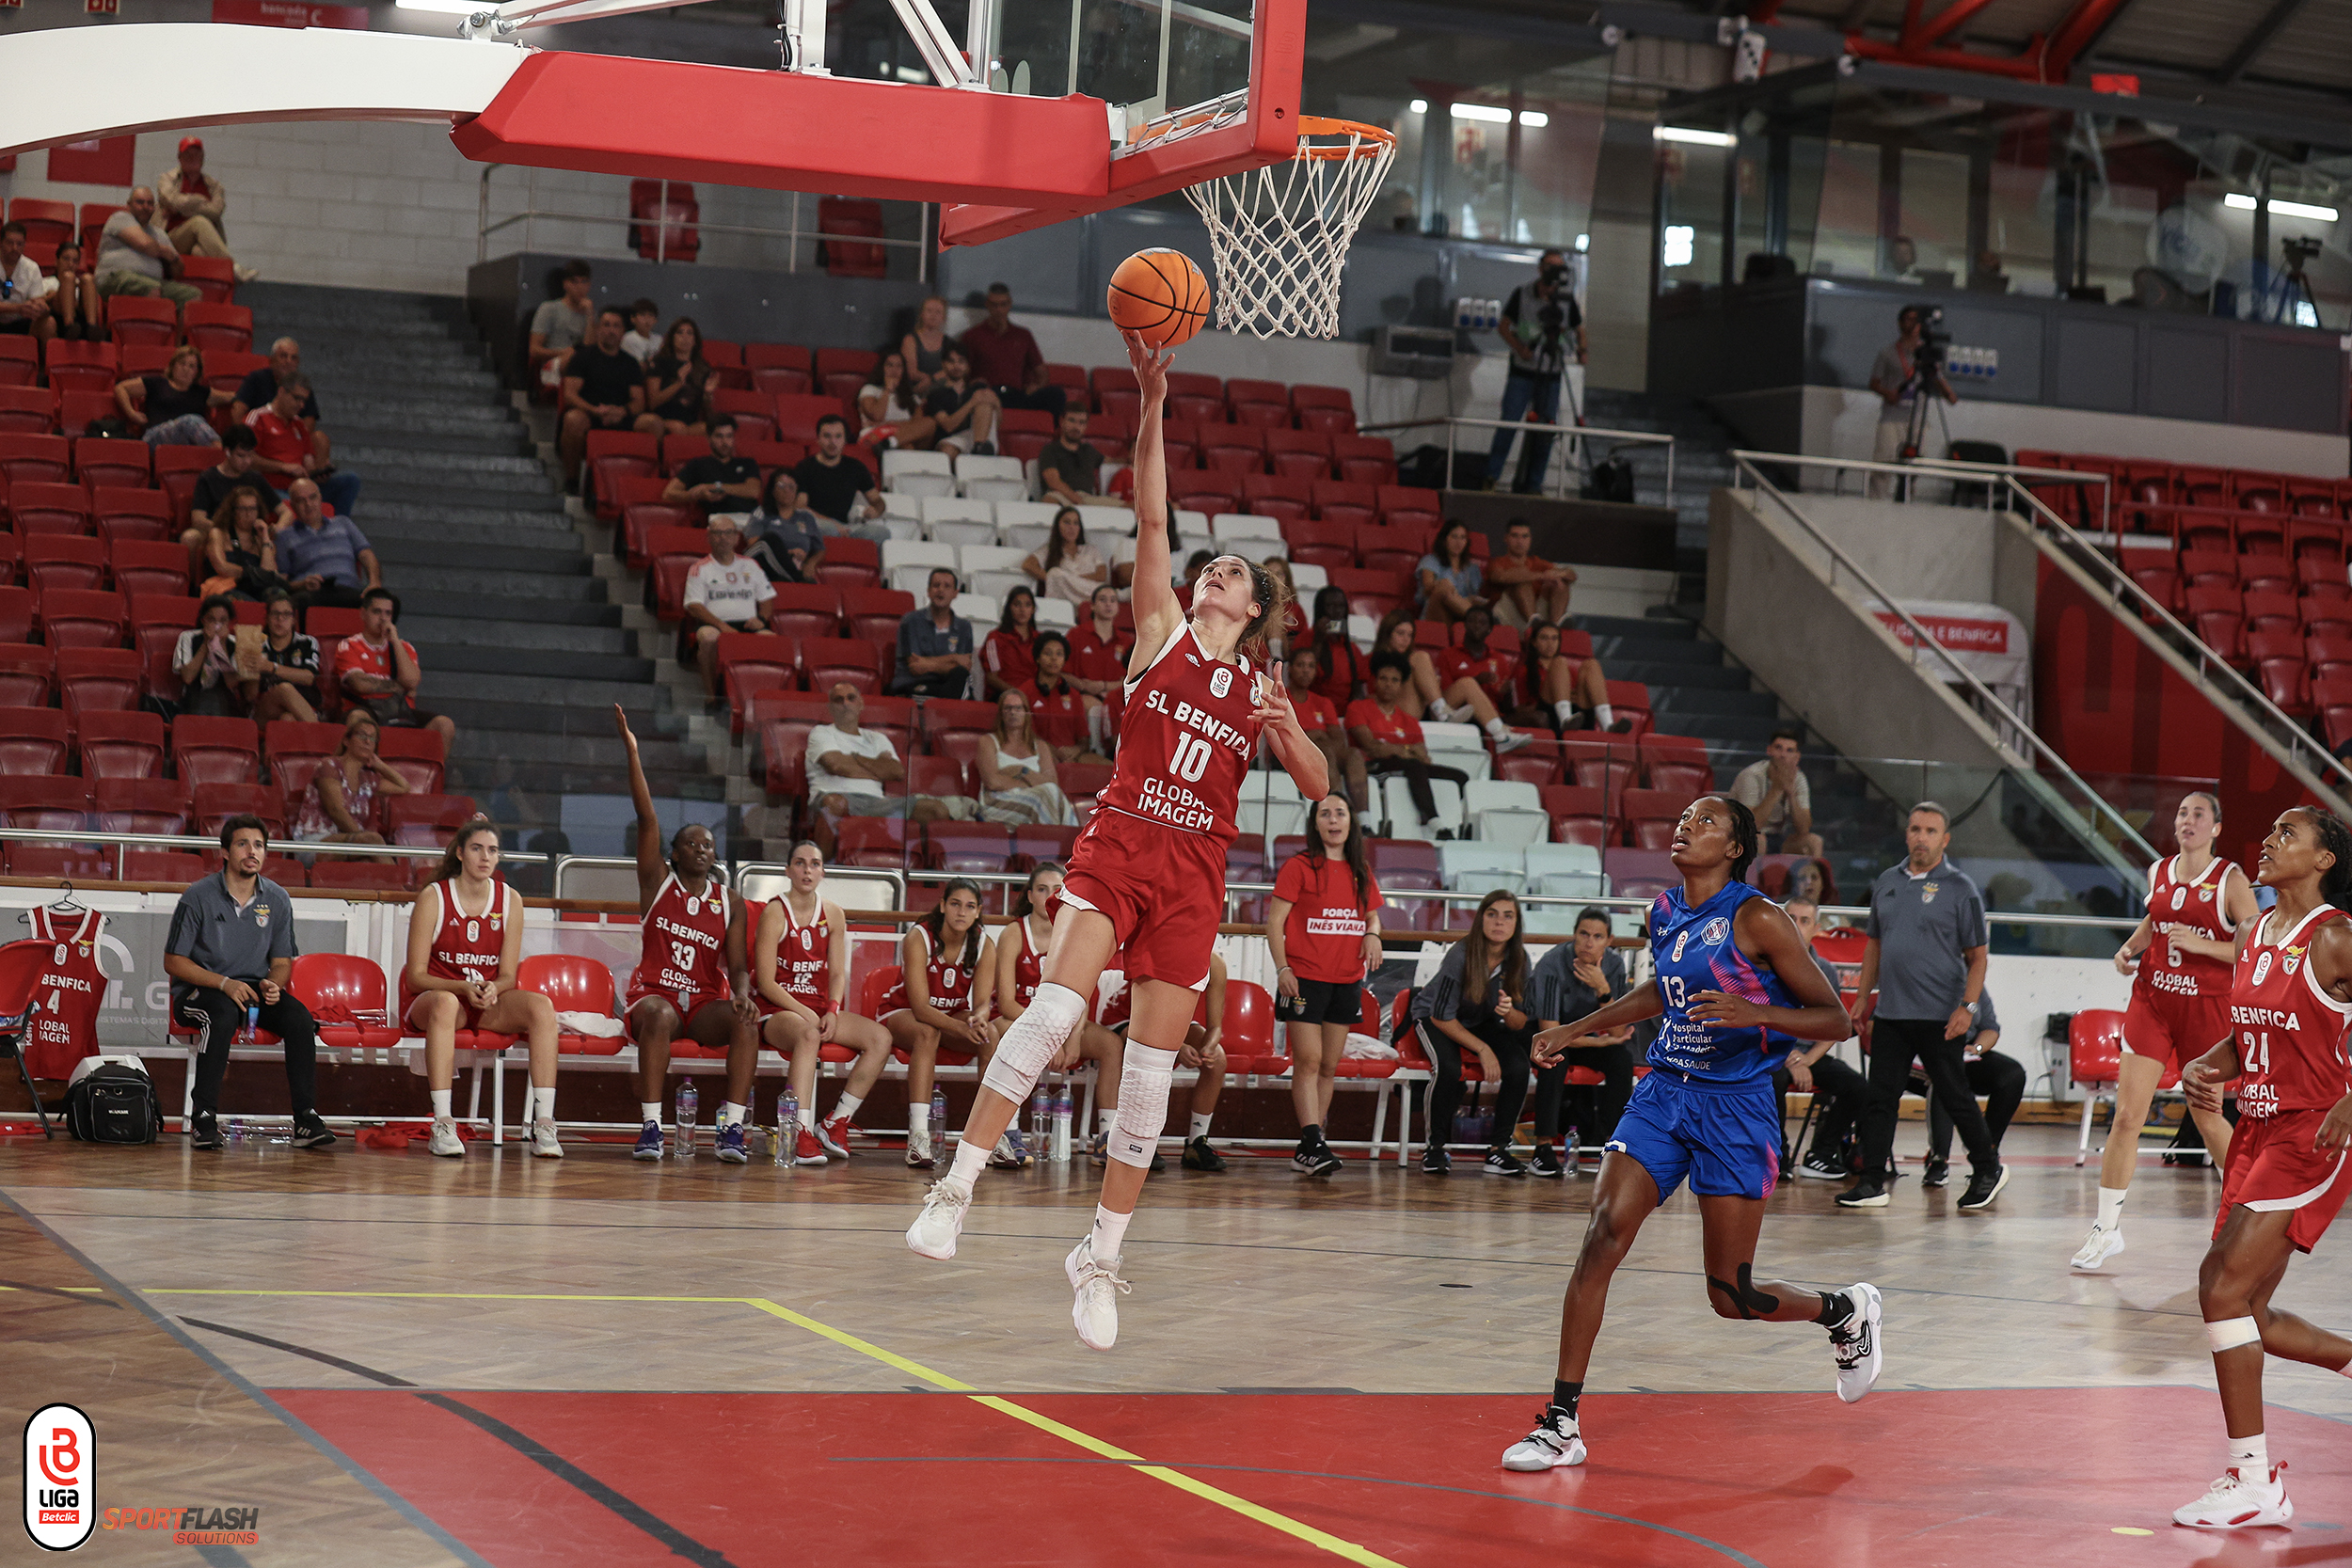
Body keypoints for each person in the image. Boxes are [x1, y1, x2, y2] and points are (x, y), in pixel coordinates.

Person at [906, 329, 1328, 1354]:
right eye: (1210, 566)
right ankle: (956, 1185)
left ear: (1257, 608)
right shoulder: (1159, 633)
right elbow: (1148, 510)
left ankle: (1098, 1253)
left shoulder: (1260, 689)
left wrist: (1285, 727)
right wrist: (1153, 395)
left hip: (1193, 878)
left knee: (1148, 1075)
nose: (1214, 572)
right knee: (1052, 1009)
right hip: (1119, 844)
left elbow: (1323, 794)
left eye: (1234, 572)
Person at [1502, 794, 1875, 1475]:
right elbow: (1661, 992)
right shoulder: (1666, 909)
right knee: (1602, 1233)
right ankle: (1561, 1422)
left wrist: (1752, 1010)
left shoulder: (1756, 916)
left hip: (1736, 1107)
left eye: (1705, 822)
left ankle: (1842, 1310)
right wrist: (1575, 1027)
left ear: (1735, 847)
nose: (1686, 826)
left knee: (1732, 1296)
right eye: (1683, 818)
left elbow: (1834, 1020)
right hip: (1666, 1091)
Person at [2168, 805, 2352, 1530]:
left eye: (2288, 835)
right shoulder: (2250, 934)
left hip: (2312, 1133)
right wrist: (2208, 1065)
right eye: (2269, 830)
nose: (2269, 842)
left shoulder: (2336, 936)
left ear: (2324, 859)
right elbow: (2250, 1039)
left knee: (2219, 1285)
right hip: (2258, 1129)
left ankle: (2253, 1480)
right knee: (2249, 1312)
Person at [2074, 790, 2255, 1272]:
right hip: (2153, 1001)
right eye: (2181, 812)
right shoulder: (2158, 870)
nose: (2187, 820)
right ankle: (2106, 1228)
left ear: (2216, 828)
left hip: (2207, 1009)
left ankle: (2243, 1216)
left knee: (2208, 1115)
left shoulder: (2230, 879)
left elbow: (2258, 947)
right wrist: (2129, 948)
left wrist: (2203, 945)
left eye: (2199, 814)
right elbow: (2156, 917)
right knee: (2128, 1115)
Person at [1836, 801, 2008, 1212]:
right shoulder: (1887, 882)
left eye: (1931, 831)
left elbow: (1978, 956)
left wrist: (1968, 1006)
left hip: (1940, 1015)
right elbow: (1874, 944)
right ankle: (1872, 1181)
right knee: (1880, 1098)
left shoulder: (1960, 888)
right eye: (1915, 829)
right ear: (1906, 834)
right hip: (1892, 1012)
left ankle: (1987, 1168)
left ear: (1945, 839)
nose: (1921, 837)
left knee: (1954, 1096)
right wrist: (1862, 997)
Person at [612, 704, 761, 1164]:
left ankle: (731, 1127)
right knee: (657, 1013)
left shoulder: (728, 899)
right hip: (654, 994)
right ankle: (652, 1126)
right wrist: (633, 753)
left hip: (699, 1000)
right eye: (691, 843)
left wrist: (740, 992)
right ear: (673, 853)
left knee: (746, 1020)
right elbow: (647, 819)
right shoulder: (657, 883)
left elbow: (736, 964)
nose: (702, 849)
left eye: (708, 844)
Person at [166, 816, 336, 1151]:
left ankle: (305, 1118)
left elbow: (282, 962)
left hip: (254, 990)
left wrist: (274, 983)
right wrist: (224, 983)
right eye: (243, 844)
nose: (251, 851)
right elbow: (173, 961)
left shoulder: (277, 898)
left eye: (258, 845)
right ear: (225, 852)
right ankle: (203, 1118)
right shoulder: (197, 897)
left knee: (300, 1019)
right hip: (201, 992)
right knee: (222, 1014)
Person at [403, 817, 564, 1159]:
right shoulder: (434, 896)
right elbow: (415, 976)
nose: (485, 857)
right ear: (460, 853)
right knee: (446, 1003)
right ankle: (443, 1122)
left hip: (483, 1000)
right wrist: (462, 986)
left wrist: (494, 987)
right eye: (477, 848)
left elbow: (508, 974)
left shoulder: (511, 900)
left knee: (542, 1007)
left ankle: (544, 1124)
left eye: (492, 850)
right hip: (434, 997)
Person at [754, 840, 896, 1164]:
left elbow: (837, 975)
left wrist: (832, 1008)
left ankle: (835, 1121)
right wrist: (805, 1013)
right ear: (788, 870)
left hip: (817, 1008)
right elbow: (765, 982)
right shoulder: (774, 912)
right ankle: (798, 1130)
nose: (807, 870)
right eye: (800, 863)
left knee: (880, 1038)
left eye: (814, 864)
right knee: (808, 1034)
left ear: (823, 872)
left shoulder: (833, 913)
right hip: (777, 1010)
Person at [1268, 793, 1384, 1174]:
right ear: (1315, 823)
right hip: (1303, 977)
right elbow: (1275, 923)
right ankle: (1312, 1140)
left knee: (1330, 1065)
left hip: (1345, 980)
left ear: (1351, 821)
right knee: (1309, 1061)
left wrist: (1373, 934)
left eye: (1340, 812)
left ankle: (1311, 1145)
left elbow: (1373, 917)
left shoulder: (1360, 869)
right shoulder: (1300, 866)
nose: (1333, 819)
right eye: (1325, 813)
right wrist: (1283, 968)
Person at [996, 863, 1130, 1158]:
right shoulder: (1013, 934)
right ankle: (1009, 1133)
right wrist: (1049, 1035)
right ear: (1029, 895)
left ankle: (1107, 1135)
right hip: (1022, 1019)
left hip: (1065, 1021)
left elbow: (1081, 994)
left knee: (1110, 1044)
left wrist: (1069, 1035)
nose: (1048, 896)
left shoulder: (1075, 932)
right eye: (1041, 889)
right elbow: (1006, 1003)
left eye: (1056, 890)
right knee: (1001, 1031)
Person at [1407, 891, 1536, 1175]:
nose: (1499, 922)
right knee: (1448, 1068)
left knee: (1518, 1067)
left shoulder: (1519, 959)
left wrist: (1508, 1012)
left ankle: (1498, 1150)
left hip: (1481, 1020)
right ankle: (1435, 1148)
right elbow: (1441, 1017)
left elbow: (1520, 1022)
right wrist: (1482, 1048)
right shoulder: (1462, 953)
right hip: (1433, 1016)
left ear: (1516, 924)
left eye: (1508, 916)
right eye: (1492, 914)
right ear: (1480, 919)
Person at [878, 878, 999, 1168]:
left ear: (978, 911)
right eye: (955, 904)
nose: (961, 912)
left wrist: (978, 1020)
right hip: (899, 1012)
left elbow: (982, 1002)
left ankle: (991, 1134)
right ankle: (919, 1134)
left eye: (970, 907)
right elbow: (920, 1008)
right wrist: (961, 1027)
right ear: (943, 905)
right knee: (927, 1032)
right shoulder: (919, 937)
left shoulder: (983, 942)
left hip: (948, 1016)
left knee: (991, 1035)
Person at [1527, 907, 1635, 1177]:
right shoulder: (1553, 964)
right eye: (1583, 934)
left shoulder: (1614, 965)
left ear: (1609, 941)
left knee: (1621, 1060)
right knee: (1554, 1060)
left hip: (1587, 1037)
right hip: (1553, 1038)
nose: (1589, 942)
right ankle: (1542, 1149)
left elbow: (1618, 1029)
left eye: (1598, 936)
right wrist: (1601, 1043)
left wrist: (1603, 989)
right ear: (1574, 935)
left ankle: (1613, 1145)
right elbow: (1550, 1032)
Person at [1779, 896, 1875, 1182]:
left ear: (1816, 928)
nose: (1796, 926)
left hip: (1809, 1055)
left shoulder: (1826, 970)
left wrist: (1806, 1060)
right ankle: (1778, 1157)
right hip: (1770, 1053)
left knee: (1858, 1087)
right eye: (1790, 919)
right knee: (1772, 1080)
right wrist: (1789, 1060)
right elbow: (1757, 1021)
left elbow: (1836, 1027)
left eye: (1804, 921)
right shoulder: (1762, 966)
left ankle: (1820, 1154)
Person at [1487, 250, 1583, 494]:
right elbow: (1503, 326)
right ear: (1540, 268)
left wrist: (1583, 350)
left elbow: (1580, 328)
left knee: (1545, 429)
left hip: (1551, 374)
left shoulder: (1565, 299)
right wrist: (1520, 347)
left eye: (1560, 268)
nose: (1554, 272)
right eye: (1551, 266)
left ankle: (1534, 484)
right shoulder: (1522, 294)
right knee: (1508, 423)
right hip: (1523, 371)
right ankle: (1490, 477)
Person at [1348, 651, 1471, 839]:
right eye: (1383, 678)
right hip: (1374, 767)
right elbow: (1371, 747)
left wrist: (1394, 749)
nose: (1388, 684)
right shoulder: (1358, 708)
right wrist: (1407, 750)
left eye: (1395, 680)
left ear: (1401, 685)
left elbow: (1424, 756)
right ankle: (1433, 822)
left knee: (1461, 776)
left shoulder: (1409, 720)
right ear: (1374, 680)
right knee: (1414, 765)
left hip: (1406, 767)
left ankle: (1459, 824)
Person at [804, 682, 961, 826]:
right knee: (835, 803)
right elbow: (837, 766)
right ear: (831, 708)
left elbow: (897, 772)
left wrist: (855, 758)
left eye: (851, 698)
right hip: (835, 796)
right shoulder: (821, 733)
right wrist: (878, 768)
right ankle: (823, 857)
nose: (845, 704)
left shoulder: (877, 738)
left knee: (936, 810)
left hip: (878, 803)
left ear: (861, 704)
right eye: (839, 700)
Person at [1917, 989, 2026, 1189]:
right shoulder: (1921, 980)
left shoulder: (1974, 987)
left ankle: (1987, 1149)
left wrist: (1976, 1049)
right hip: (1921, 1053)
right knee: (1946, 1078)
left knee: (2012, 1074)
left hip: (1963, 1052)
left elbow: (1990, 1029)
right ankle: (1938, 1159)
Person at [1405, 603, 1535, 755]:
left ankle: (1501, 735)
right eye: (1472, 621)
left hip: (1486, 715)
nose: (1476, 626)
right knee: (1468, 683)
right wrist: (1478, 680)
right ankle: (1499, 735)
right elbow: (1440, 691)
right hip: (1452, 710)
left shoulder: (1498, 659)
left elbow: (1504, 703)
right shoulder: (1448, 654)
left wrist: (1504, 692)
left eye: (1482, 623)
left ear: (1490, 629)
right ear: (1464, 625)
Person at [334, 588, 457, 748]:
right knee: (358, 718)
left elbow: (411, 682)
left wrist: (395, 641)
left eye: (388, 613)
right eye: (376, 612)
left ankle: (434, 773)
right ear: (363, 614)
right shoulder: (349, 645)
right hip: (366, 708)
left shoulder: (404, 647)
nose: (383, 619)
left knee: (445, 725)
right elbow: (360, 684)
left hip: (401, 710)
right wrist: (399, 686)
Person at [560, 306, 662, 486]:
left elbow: (639, 401)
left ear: (623, 332)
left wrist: (622, 412)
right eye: (606, 325)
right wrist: (595, 410)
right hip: (590, 413)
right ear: (599, 329)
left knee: (653, 423)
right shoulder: (582, 357)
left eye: (616, 326)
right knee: (573, 419)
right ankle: (572, 480)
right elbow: (569, 394)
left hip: (621, 416)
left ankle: (645, 484)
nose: (611, 330)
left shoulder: (631, 364)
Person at [681, 515, 775, 701]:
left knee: (771, 640)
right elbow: (694, 605)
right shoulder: (700, 568)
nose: (723, 538)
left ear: (736, 537)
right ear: (708, 537)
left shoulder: (750, 565)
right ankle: (711, 696)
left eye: (728, 533)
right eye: (717, 533)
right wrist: (721, 625)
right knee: (708, 638)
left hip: (748, 625)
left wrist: (762, 620)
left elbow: (766, 599)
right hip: (713, 624)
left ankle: (761, 698)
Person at [1868, 304, 1956, 498]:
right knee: (1883, 465)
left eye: (1916, 320)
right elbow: (1874, 383)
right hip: (1891, 418)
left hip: (1917, 420)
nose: (1913, 323)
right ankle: (1875, 504)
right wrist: (1887, 393)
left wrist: (1948, 393)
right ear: (1900, 323)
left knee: (1912, 468)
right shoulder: (1888, 352)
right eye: (1908, 319)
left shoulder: (1927, 355)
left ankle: (1907, 503)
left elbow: (1939, 380)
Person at [290, 708, 407, 847]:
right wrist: (364, 840)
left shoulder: (367, 779)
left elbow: (403, 786)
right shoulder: (330, 766)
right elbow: (336, 810)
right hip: (316, 840)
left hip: (352, 843)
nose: (367, 742)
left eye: (372, 739)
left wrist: (379, 764)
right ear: (346, 741)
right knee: (374, 843)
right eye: (362, 736)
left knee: (369, 860)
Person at [961, 282, 1066, 418]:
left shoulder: (1023, 335)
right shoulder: (972, 336)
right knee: (977, 392)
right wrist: (971, 383)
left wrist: (1037, 386)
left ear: (1009, 304)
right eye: (994, 305)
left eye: (1003, 304)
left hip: (1017, 395)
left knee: (1056, 394)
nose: (999, 309)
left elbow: (1041, 371)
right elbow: (961, 369)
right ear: (987, 305)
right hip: (987, 395)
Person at [155, 137, 252, 280]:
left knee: (199, 252)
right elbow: (171, 201)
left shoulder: (213, 185)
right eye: (188, 155)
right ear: (179, 158)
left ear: (202, 157)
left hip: (199, 241)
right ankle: (233, 268)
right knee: (199, 222)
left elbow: (216, 212)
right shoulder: (167, 179)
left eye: (196, 154)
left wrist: (182, 206)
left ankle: (202, 297)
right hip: (172, 239)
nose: (193, 158)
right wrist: (200, 200)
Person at [275, 478, 380, 610]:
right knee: (299, 602)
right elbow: (282, 582)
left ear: (320, 499)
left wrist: (374, 582)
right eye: (301, 501)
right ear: (293, 505)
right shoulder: (285, 536)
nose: (308, 505)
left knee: (385, 603)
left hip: (349, 589)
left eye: (312, 498)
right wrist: (302, 584)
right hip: (312, 593)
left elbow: (366, 554)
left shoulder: (343, 523)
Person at [1282, 645, 1366, 811]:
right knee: (1324, 749)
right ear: (1290, 669)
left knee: (1354, 755)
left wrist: (1314, 736)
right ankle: (1333, 810)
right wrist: (1314, 736)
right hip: (1288, 755)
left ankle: (1365, 820)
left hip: (1325, 751)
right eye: (1300, 665)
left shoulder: (1323, 702)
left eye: (1311, 666)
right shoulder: (1281, 697)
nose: (1306, 671)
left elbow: (1339, 740)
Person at [977, 687, 1076, 826]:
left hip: (1036, 798)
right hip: (998, 803)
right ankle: (1065, 844)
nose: (1013, 713)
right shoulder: (988, 741)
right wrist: (1033, 781)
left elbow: (1053, 783)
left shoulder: (1040, 746)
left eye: (1018, 708)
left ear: (1026, 712)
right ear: (1001, 713)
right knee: (1045, 796)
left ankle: (1061, 842)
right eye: (1008, 708)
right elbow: (993, 782)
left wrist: (1021, 771)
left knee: (1050, 793)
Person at [1506, 620, 1620, 736]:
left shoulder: (1568, 670)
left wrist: (1572, 696)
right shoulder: (1523, 669)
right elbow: (1518, 711)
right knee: (1559, 662)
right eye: (1544, 638)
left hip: (1577, 718)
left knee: (1592, 664)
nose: (1550, 643)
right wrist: (1556, 695)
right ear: (1534, 643)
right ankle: (1565, 720)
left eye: (1554, 638)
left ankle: (1608, 725)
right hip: (1550, 717)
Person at [94, 186, 199, 306]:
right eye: (140, 202)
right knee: (150, 288)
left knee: (191, 295)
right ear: (129, 205)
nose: (145, 207)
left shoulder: (159, 233)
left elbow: (178, 270)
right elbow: (145, 245)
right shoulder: (120, 218)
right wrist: (165, 252)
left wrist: (172, 258)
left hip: (153, 282)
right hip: (113, 279)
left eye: (150, 204)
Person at [1729, 727, 1823, 858]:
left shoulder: (1799, 779)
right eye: (1778, 748)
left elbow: (1803, 829)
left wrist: (1791, 794)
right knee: (1757, 840)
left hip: (1778, 837)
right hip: (1740, 836)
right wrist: (1777, 789)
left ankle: (1810, 878)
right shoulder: (1751, 776)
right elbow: (1751, 826)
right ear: (1769, 750)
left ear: (1797, 756)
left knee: (1814, 842)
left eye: (1789, 750)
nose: (1783, 755)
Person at [118, 342, 228, 446]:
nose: (185, 369)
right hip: (155, 437)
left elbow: (233, 397)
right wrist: (132, 413)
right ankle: (220, 454)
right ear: (173, 365)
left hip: (187, 442)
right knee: (190, 421)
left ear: (197, 372)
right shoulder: (157, 383)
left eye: (191, 366)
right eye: (182, 363)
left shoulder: (202, 392)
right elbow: (121, 388)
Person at [891, 568, 976, 700]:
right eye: (936, 585)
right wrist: (954, 658)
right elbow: (916, 667)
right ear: (928, 591)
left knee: (959, 674)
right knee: (956, 693)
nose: (940, 590)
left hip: (950, 684)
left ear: (955, 593)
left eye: (947, 586)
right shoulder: (911, 621)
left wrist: (928, 663)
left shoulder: (964, 627)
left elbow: (965, 666)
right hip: (916, 684)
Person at [1021, 634, 1103, 768]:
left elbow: (1084, 739)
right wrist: (1053, 752)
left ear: (1064, 660)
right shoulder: (1025, 691)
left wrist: (1075, 750)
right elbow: (1027, 735)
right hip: (1038, 755)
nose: (1054, 658)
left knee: (1109, 768)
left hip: (1071, 757)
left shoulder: (1073, 695)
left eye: (1059, 654)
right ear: (1038, 658)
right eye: (1048, 653)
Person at [663, 414, 761, 521]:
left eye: (729, 436)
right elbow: (669, 493)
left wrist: (714, 487)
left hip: (753, 519)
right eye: (719, 436)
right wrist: (696, 495)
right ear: (709, 438)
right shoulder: (698, 464)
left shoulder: (747, 463)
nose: (725, 442)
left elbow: (753, 491)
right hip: (721, 521)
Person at [240, 592, 318, 724]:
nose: (280, 619)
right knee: (284, 689)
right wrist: (253, 671)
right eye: (275, 614)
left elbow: (309, 677)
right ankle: (321, 738)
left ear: (294, 619)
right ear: (267, 617)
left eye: (286, 614)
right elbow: (249, 696)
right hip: (264, 710)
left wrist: (271, 667)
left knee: (287, 719)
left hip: (302, 707)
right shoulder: (256, 645)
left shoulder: (307, 642)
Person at [792, 415, 882, 528]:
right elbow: (800, 508)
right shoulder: (804, 468)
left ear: (845, 440)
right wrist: (833, 524)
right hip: (816, 524)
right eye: (827, 436)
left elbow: (877, 501)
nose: (833, 442)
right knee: (829, 529)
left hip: (847, 526)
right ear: (818, 439)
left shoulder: (856, 467)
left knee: (881, 533)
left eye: (838, 436)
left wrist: (876, 510)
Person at [1485, 518, 1576, 628]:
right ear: (1506, 538)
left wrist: (1559, 574)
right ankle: (1533, 623)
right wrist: (1541, 575)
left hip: (1539, 615)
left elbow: (1571, 575)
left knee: (1559, 584)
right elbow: (1499, 577)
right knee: (1521, 583)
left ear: (1530, 539)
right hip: (1508, 617)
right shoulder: (1498, 562)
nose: (1520, 541)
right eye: (1515, 536)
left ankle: (1555, 627)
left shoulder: (1537, 562)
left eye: (1524, 536)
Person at [172, 594, 246, 717]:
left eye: (223, 621)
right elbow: (188, 677)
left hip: (225, 699)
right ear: (203, 620)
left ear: (229, 623)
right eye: (211, 620)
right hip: (194, 695)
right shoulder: (188, 637)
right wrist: (207, 643)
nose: (217, 626)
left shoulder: (236, 643)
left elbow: (231, 683)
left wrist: (221, 645)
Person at [921, 343, 999, 457]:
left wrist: (995, 404)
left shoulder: (978, 389)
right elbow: (948, 426)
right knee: (947, 451)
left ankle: (980, 448)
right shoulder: (936, 394)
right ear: (943, 364)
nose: (956, 366)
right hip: (952, 440)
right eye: (951, 361)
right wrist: (972, 402)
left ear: (967, 366)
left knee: (985, 404)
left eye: (961, 362)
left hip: (978, 434)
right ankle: (979, 452)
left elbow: (998, 422)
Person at [1023, 506, 1107, 610]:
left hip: (1090, 593)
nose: (1071, 527)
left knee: (1102, 590)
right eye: (1067, 522)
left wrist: (1071, 579)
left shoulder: (1091, 550)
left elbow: (1102, 575)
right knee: (1054, 573)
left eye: (1076, 523)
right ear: (1058, 526)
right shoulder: (1048, 549)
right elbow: (1028, 565)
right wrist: (1052, 579)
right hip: (1065, 598)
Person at [528, 260, 594, 388]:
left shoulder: (590, 313)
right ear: (565, 284)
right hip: (554, 364)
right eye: (574, 282)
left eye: (584, 282)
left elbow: (590, 348)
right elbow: (534, 350)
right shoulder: (549, 309)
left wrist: (590, 315)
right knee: (575, 360)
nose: (579, 287)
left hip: (581, 363)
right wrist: (562, 353)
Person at [1301, 586, 1370, 709]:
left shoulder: (1352, 649)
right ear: (1320, 610)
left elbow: (1359, 691)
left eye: (1341, 606)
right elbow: (1302, 679)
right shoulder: (1305, 640)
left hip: (1343, 717)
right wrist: (1318, 640)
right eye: (1330, 606)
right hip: (1312, 710)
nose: (1337, 612)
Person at [857, 352, 939, 451]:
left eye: (899, 366)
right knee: (907, 447)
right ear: (882, 368)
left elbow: (917, 425)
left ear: (903, 371)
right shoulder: (870, 389)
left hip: (903, 436)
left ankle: (890, 443)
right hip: (875, 434)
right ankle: (888, 444)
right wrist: (887, 390)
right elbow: (876, 416)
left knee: (930, 422)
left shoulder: (912, 397)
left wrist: (889, 424)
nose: (894, 370)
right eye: (889, 365)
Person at [644, 316, 711, 434]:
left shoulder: (702, 368)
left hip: (690, 423)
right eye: (680, 333)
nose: (685, 337)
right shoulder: (659, 362)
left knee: (712, 429)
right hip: (662, 419)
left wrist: (708, 395)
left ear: (695, 341)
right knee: (678, 428)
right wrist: (679, 383)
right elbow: (653, 403)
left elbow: (709, 413)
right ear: (672, 338)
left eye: (690, 333)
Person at [1038, 407, 1114, 507]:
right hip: (1061, 496)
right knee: (1049, 501)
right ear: (1061, 422)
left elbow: (1110, 461)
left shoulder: (1088, 450)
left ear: (1086, 426)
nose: (1076, 427)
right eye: (1072, 421)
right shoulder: (1050, 450)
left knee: (1132, 507)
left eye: (1081, 422)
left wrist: (1132, 459)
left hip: (1089, 498)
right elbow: (1053, 482)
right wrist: (1078, 501)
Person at [1416, 520, 1486, 625]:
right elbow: (1427, 588)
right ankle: (1479, 620)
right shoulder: (1431, 560)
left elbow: (1477, 596)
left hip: (1461, 618)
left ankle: (1477, 619)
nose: (1458, 542)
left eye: (1463, 538)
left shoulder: (1472, 568)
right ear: (1444, 539)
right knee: (1444, 585)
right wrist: (1444, 587)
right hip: (1435, 614)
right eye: (1454, 537)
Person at [982, 586, 1040, 700]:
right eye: (1017, 605)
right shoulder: (995, 638)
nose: (1022, 610)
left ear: (1033, 610)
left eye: (1027, 605)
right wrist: (1017, 694)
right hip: (1003, 695)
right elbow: (992, 678)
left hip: (1033, 695)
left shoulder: (1040, 639)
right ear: (1009, 608)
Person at [0, 222, 53, 341]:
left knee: (49, 323)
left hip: (22, 321)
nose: (14, 248)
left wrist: (39, 307)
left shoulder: (31, 268)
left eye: (19, 244)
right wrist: (18, 308)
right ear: (1, 243)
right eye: (10, 243)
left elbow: (37, 299)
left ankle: (43, 360)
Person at [44, 240, 100, 342]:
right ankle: (69, 325)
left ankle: (92, 327)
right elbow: (39, 302)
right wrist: (60, 294)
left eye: (75, 261)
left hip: (81, 320)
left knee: (88, 278)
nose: (70, 264)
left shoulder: (81, 283)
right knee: (68, 278)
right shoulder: (47, 282)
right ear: (57, 261)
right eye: (66, 259)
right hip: (57, 319)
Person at [899, 293, 952, 400]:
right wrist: (926, 379)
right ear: (922, 314)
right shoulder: (910, 340)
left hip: (941, 389)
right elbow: (911, 372)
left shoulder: (949, 342)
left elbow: (953, 369)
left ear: (943, 317)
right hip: (917, 388)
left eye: (938, 312)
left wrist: (932, 379)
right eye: (929, 311)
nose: (933, 315)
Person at [621, 299, 662, 366]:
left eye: (651, 315)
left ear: (655, 320)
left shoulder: (659, 340)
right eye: (642, 315)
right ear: (633, 319)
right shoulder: (628, 339)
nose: (647, 319)